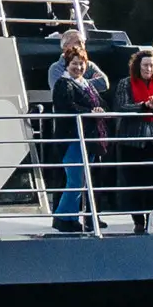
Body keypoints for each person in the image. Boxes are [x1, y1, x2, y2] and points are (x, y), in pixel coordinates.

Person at [40, 33, 107, 233]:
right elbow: (67, 107)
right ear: (67, 64)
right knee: (75, 179)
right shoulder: (63, 83)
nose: (78, 67)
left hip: (89, 138)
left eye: (81, 64)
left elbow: (101, 96)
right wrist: (90, 112)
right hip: (72, 138)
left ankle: (71, 218)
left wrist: (98, 110)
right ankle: (61, 217)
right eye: (74, 64)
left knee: (83, 180)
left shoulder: (85, 84)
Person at [118, 45, 153, 230]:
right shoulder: (126, 83)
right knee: (133, 183)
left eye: (151, 65)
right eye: (144, 66)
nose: (148, 69)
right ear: (138, 66)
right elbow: (121, 106)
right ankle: (138, 221)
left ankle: (152, 218)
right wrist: (143, 105)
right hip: (132, 142)